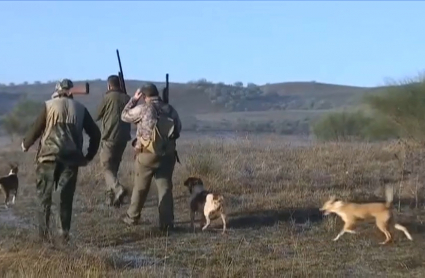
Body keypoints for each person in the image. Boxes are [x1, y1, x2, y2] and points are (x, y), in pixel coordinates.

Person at [21, 79, 101, 243]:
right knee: (65, 197)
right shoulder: (81, 109)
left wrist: (25, 144)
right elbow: (96, 134)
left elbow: (36, 128)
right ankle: (63, 236)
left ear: (57, 90)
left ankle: (43, 237)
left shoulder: (49, 105)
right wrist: (89, 155)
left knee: (44, 197)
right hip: (71, 159)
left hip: (48, 158)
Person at [121, 83, 182, 231]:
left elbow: (124, 115)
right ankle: (167, 223)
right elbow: (178, 129)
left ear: (143, 96)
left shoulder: (143, 108)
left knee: (140, 187)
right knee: (165, 187)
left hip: (147, 155)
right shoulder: (169, 109)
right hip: (167, 155)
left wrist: (133, 100)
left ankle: (132, 217)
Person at [96, 75, 131, 207]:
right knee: (113, 168)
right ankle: (111, 199)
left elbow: (97, 115)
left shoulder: (107, 98)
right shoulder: (127, 98)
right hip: (123, 138)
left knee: (106, 167)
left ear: (109, 85)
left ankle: (118, 189)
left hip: (109, 137)